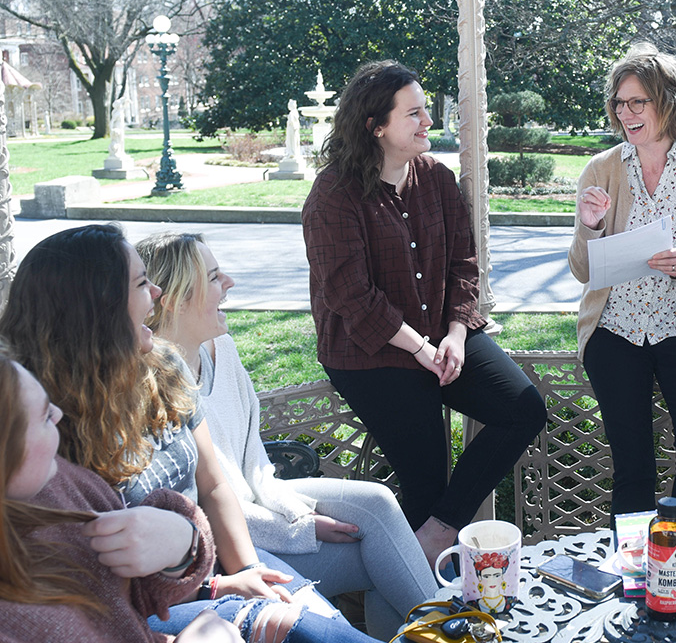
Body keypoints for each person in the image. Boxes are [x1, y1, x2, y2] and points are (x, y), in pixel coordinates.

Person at [0, 225, 383, 643]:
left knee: (329, 613)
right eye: (142, 282)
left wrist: (245, 570)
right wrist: (215, 585)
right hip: (158, 605)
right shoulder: (45, 442)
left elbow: (213, 482)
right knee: (299, 625)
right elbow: (105, 596)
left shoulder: (162, 367)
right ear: (98, 306)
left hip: (201, 565)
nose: (158, 293)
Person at [301, 60, 546, 567]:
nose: (428, 122)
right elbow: (352, 295)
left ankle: (439, 532)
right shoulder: (333, 195)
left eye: (426, 110)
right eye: (414, 113)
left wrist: (456, 334)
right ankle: (419, 602)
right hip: (368, 351)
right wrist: (421, 349)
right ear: (377, 126)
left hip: (441, 332)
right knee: (427, 473)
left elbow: (464, 262)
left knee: (523, 408)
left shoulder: (435, 177)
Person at [136, 231, 438, 641]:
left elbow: (253, 464)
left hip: (258, 513)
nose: (229, 283)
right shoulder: (155, 385)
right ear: (173, 298)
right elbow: (204, 504)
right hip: (227, 553)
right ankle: (453, 628)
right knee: (385, 560)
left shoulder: (219, 347)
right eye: (213, 277)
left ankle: (449, 629)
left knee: (380, 511)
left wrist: (295, 511)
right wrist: (298, 528)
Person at [568, 43, 676, 523]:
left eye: (637, 101)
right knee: (633, 466)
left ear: (670, 103)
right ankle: (637, 578)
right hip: (615, 331)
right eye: (620, 103)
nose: (625, 112)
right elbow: (582, 271)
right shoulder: (600, 169)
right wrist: (591, 226)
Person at [0, 349, 240, 643]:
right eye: (42, 417)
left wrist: (182, 548)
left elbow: (127, 604)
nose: (58, 415)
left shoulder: (61, 484)